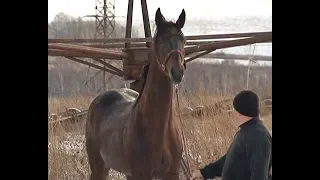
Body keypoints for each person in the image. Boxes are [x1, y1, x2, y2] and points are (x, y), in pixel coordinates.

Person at [190, 90, 272, 180]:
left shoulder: (259, 138)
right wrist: (204, 172)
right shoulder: (247, 131)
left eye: (234, 109)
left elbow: (259, 175)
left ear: (240, 112)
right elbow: (230, 160)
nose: (232, 113)